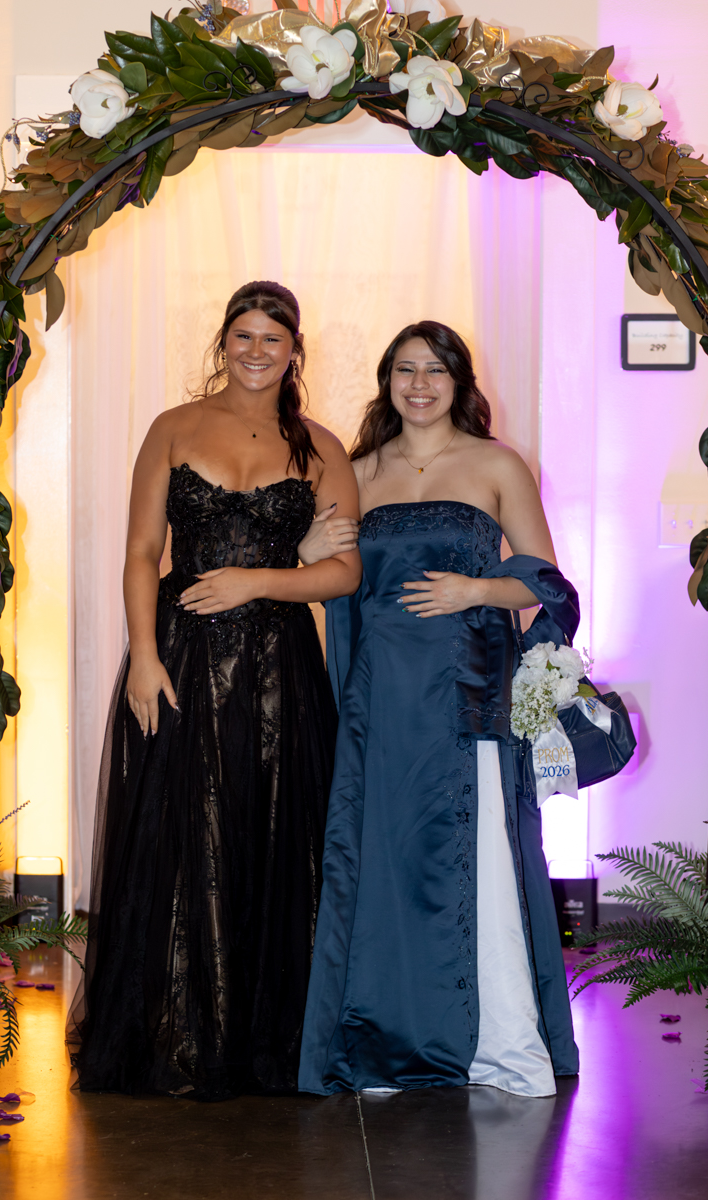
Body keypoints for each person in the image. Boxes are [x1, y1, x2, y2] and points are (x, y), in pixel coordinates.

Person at [68, 281, 361, 1101]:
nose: (257, 351)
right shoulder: (172, 428)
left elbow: (343, 571)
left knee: (270, 834)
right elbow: (138, 551)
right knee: (179, 836)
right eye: (244, 336)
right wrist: (140, 657)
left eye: (274, 339)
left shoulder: (319, 446)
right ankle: (178, 1031)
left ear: (295, 350)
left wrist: (255, 581)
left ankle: (269, 1037)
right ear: (223, 341)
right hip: (178, 661)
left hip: (279, 672)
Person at [297, 321, 580, 1098]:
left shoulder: (494, 465)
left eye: (435, 371)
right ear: (386, 381)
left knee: (471, 862)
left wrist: (477, 590)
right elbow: (327, 580)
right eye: (404, 371)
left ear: (460, 382)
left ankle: (494, 1044)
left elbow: (547, 583)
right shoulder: (354, 471)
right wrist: (305, 551)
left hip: (466, 699)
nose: (419, 384)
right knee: (381, 865)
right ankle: (385, 1040)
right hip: (378, 700)